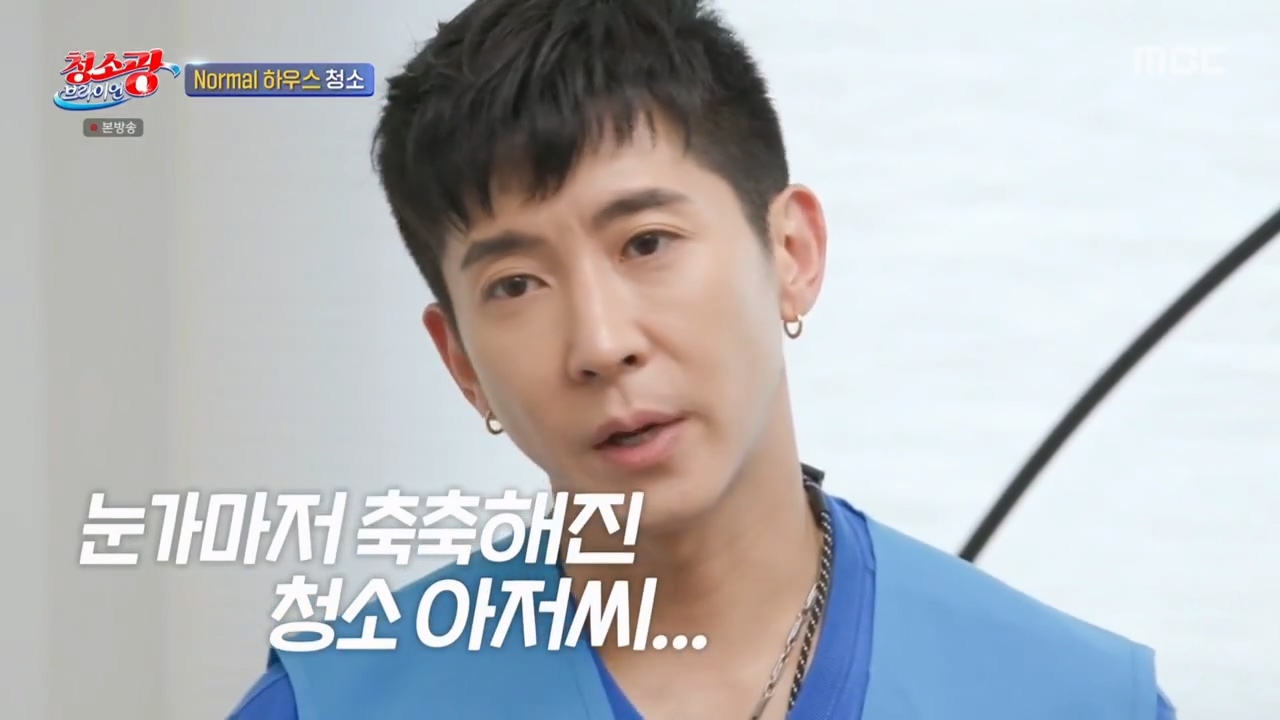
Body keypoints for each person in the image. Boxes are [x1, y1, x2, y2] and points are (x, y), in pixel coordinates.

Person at [230, 0, 1178, 717]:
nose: (601, 343)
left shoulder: (1074, 698)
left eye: (646, 242)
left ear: (791, 254)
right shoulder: (334, 703)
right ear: (462, 364)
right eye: (516, 284)